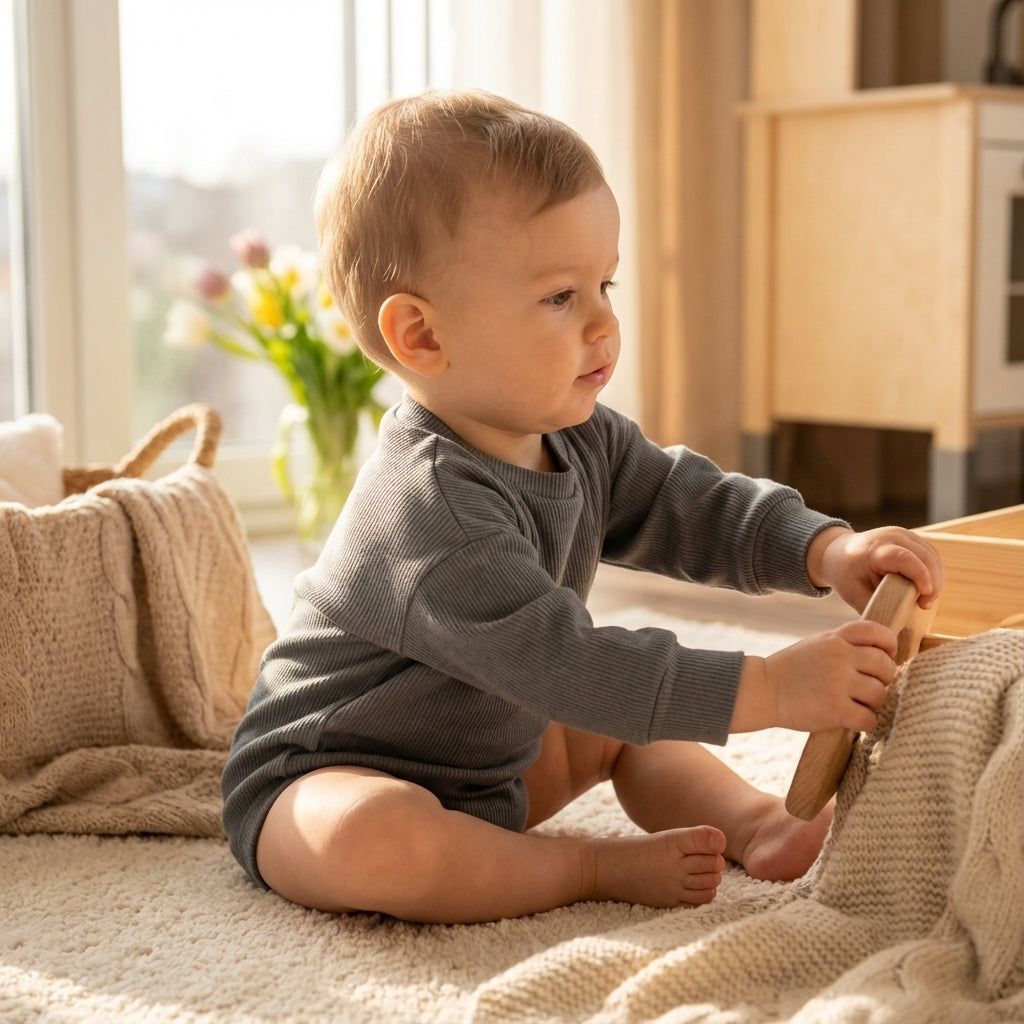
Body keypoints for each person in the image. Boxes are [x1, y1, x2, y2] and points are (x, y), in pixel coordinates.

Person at [221, 90, 944, 925]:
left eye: (605, 282)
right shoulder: (426, 514)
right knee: (382, 839)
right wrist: (775, 689)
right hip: (323, 778)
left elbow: (689, 504)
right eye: (561, 297)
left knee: (616, 720)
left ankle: (752, 822)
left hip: (493, 764)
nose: (605, 323)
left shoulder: (578, 436)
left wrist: (823, 552)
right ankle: (580, 866)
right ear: (422, 336)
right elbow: (571, 663)